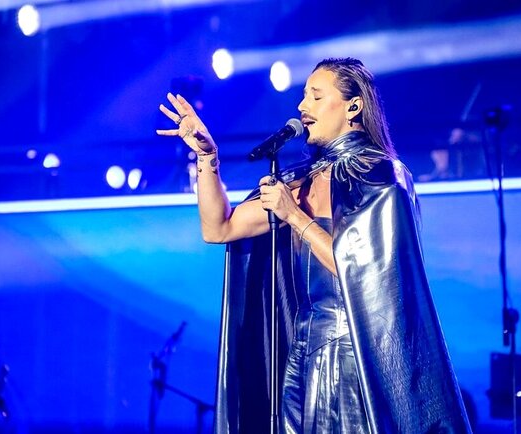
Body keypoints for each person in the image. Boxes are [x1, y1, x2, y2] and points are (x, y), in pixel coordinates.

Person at [158, 57, 471, 433]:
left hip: (358, 355)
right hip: (304, 352)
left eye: (316, 97)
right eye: (304, 96)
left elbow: (364, 270)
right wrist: (207, 158)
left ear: (353, 106)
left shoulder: (383, 176)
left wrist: (295, 217)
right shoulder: (300, 181)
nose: (302, 106)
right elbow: (218, 228)